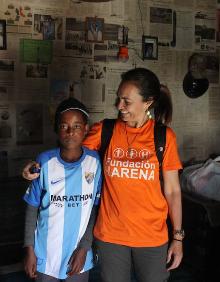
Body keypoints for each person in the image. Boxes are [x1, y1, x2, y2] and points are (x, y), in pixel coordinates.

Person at [22, 68, 183, 282]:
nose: (119, 106)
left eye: (127, 101)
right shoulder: (105, 131)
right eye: (118, 98)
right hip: (111, 236)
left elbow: (172, 191)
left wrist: (178, 237)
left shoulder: (164, 137)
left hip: (152, 237)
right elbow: (70, 153)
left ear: (148, 102)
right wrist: (35, 166)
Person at [23, 98, 102, 282]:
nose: (70, 132)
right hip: (45, 254)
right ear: (57, 129)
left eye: (76, 126)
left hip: (78, 254)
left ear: (86, 129)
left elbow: (94, 210)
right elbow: (32, 209)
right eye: (64, 126)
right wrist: (29, 249)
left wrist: (84, 248)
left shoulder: (95, 162)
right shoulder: (44, 161)